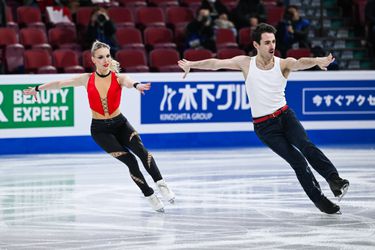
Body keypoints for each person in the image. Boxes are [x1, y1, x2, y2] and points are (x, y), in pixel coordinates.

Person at [178, 23, 349, 214]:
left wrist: (317, 60)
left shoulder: (283, 63)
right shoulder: (245, 63)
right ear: (256, 45)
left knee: (306, 145)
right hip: (265, 127)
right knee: (298, 162)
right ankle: (321, 201)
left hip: (285, 117)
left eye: (274, 41)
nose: (272, 46)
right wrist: (192, 65)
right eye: (267, 42)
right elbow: (217, 64)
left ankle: (334, 180)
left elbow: (300, 62)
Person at [23, 41, 175, 213]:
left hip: (120, 124)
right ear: (93, 60)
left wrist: (137, 86)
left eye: (108, 56)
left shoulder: (118, 78)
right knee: (131, 161)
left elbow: (129, 81)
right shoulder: (86, 79)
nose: (105, 60)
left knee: (142, 151)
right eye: (101, 57)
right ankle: (149, 195)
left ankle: (161, 184)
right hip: (100, 131)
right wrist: (37, 88)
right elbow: (60, 84)